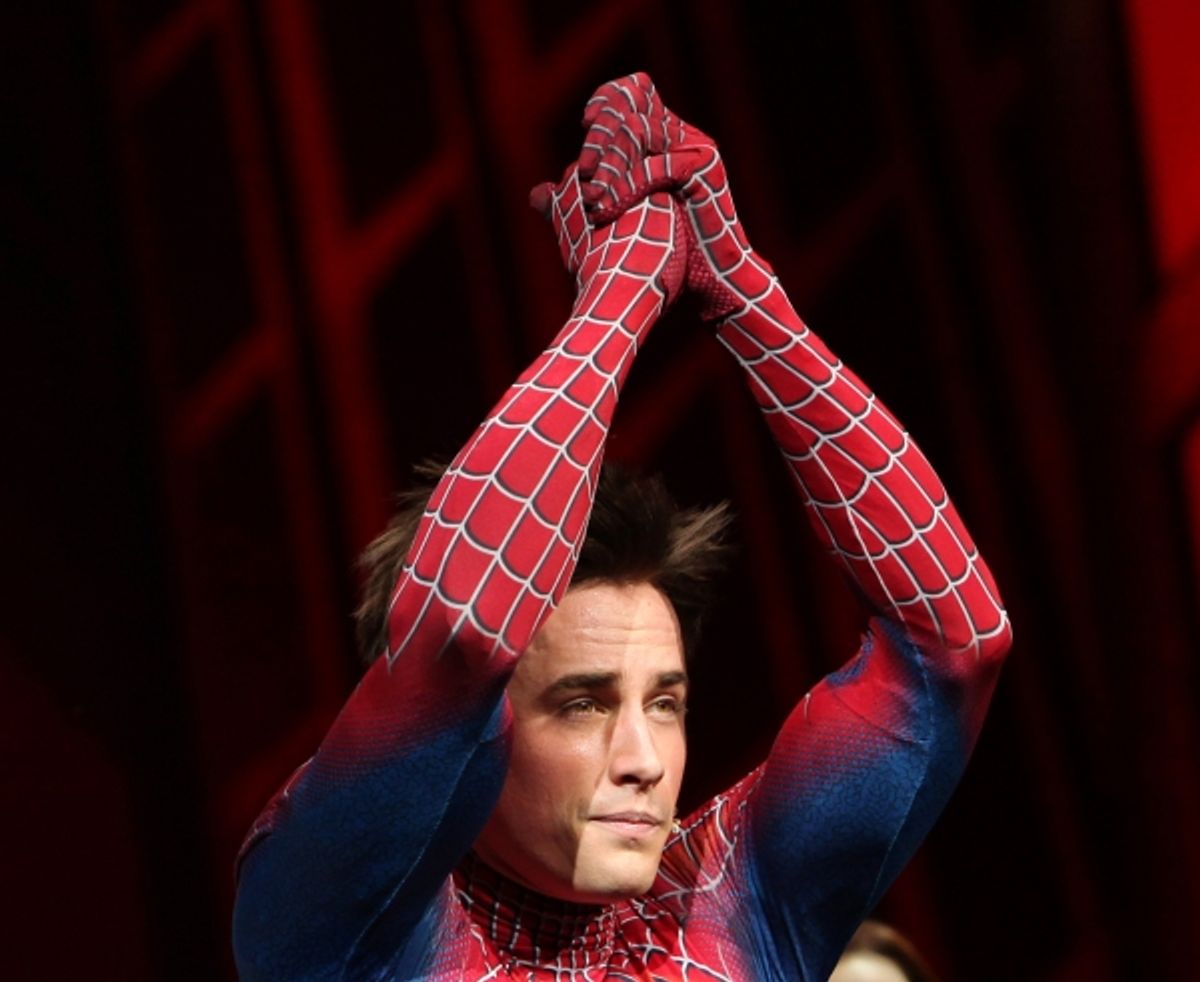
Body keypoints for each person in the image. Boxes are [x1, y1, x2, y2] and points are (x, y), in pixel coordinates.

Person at [232, 72, 1012, 981]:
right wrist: (622, 292)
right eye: (583, 703)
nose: (644, 761)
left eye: (666, 703)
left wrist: (738, 287)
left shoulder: (733, 901)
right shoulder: (338, 921)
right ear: (479, 738)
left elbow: (957, 643)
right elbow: (460, 634)